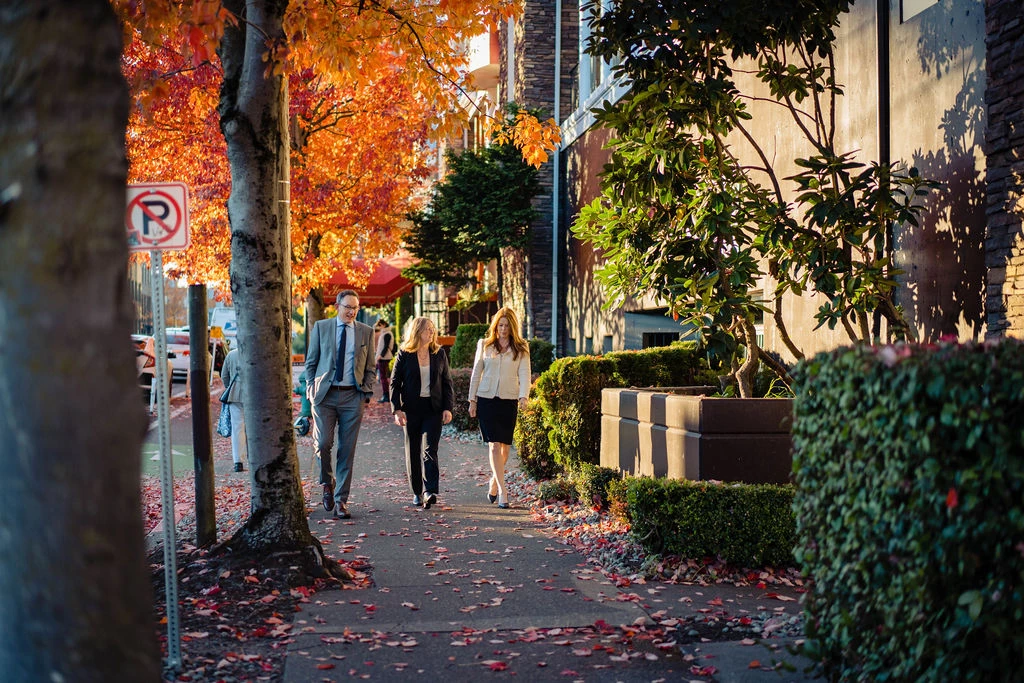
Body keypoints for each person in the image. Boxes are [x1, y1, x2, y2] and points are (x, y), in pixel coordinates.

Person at [305, 290, 376, 519]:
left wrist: (365, 390)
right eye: (347, 307)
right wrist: (309, 387)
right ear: (337, 306)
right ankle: (327, 482)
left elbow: (371, 368)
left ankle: (341, 501)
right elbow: (311, 362)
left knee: (346, 450)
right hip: (324, 396)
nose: (351, 312)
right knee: (323, 443)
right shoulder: (321, 328)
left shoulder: (366, 332)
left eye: (355, 308)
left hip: (351, 397)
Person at [468, 307, 531, 509]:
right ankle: (504, 492)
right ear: (496, 326)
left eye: (506, 326)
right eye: (500, 325)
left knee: (505, 447)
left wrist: (524, 397)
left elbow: (524, 374)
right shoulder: (485, 345)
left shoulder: (521, 348)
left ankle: (495, 481)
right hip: (487, 399)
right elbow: (476, 372)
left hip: (508, 399)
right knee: (493, 445)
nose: (503, 329)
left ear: (512, 327)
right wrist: (472, 400)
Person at [389, 317, 455, 509]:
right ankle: (417, 491)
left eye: (433, 329)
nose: (431, 332)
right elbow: (395, 383)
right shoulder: (405, 353)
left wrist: (447, 408)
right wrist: (397, 409)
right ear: (417, 332)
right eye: (427, 329)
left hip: (433, 409)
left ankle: (430, 491)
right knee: (413, 450)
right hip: (411, 409)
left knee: (430, 450)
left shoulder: (439, 353)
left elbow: (447, 382)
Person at [219, 347, 247, 473]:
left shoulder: (231, 355)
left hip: (235, 395)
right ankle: (253, 457)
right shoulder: (257, 353)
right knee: (253, 428)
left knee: (237, 428)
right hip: (254, 397)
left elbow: (224, 375)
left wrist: (230, 386)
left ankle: (238, 461)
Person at [374, 319, 396, 403]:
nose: (379, 327)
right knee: (382, 377)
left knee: (383, 377)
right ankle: (385, 394)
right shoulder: (385, 333)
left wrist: (380, 356)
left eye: (379, 325)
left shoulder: (387, 334)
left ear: (383, 324)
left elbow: (386, 347)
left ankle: (386, 395)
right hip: (383, 357)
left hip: (384, 358)